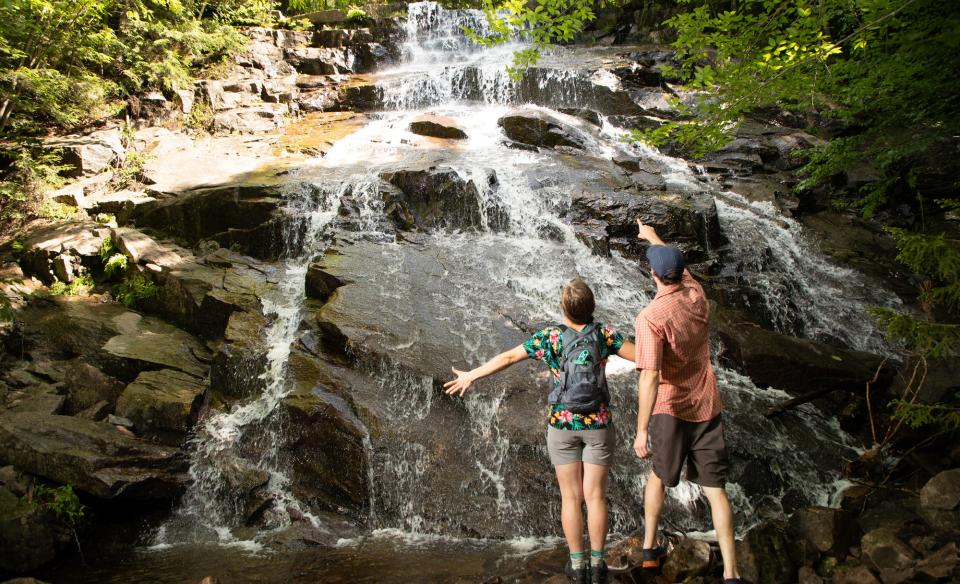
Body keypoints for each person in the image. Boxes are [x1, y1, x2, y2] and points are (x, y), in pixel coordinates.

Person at [445, 279, 636, 584]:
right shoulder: (603, 335)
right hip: (598, 423)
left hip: (562, 425)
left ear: (564, 308)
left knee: (571, 497)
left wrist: (472, 375)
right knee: (596, 496)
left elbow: (508, 358)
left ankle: (576, 566)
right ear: (592, 307)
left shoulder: (550, 338)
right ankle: (599, 565)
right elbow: (644, 357)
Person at [632, 219, 741, 583]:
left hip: (671, 407)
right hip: (707, 403)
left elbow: (649, 375)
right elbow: (679, 267)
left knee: (658, 478)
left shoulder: (650, 318)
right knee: (716, 491)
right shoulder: (696, 293)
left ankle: (649, 550)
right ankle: (732, 572)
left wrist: (642, 430)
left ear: (653, 274)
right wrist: (653, 237)